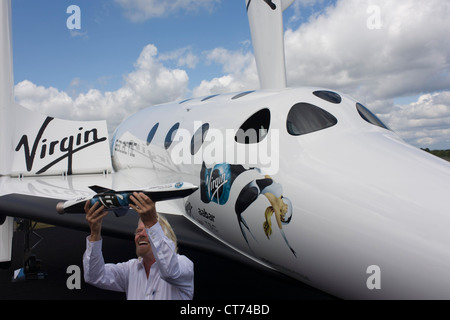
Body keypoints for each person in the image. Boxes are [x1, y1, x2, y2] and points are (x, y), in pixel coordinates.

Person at [82, 192, 194, 300]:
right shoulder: (130, 269)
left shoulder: (184, 264)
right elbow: (94, 276)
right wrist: (95, 233)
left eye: (148, 230)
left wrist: (151, 222)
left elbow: (170, 272)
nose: (140, 235)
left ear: (165, 237)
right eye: (138, 231)